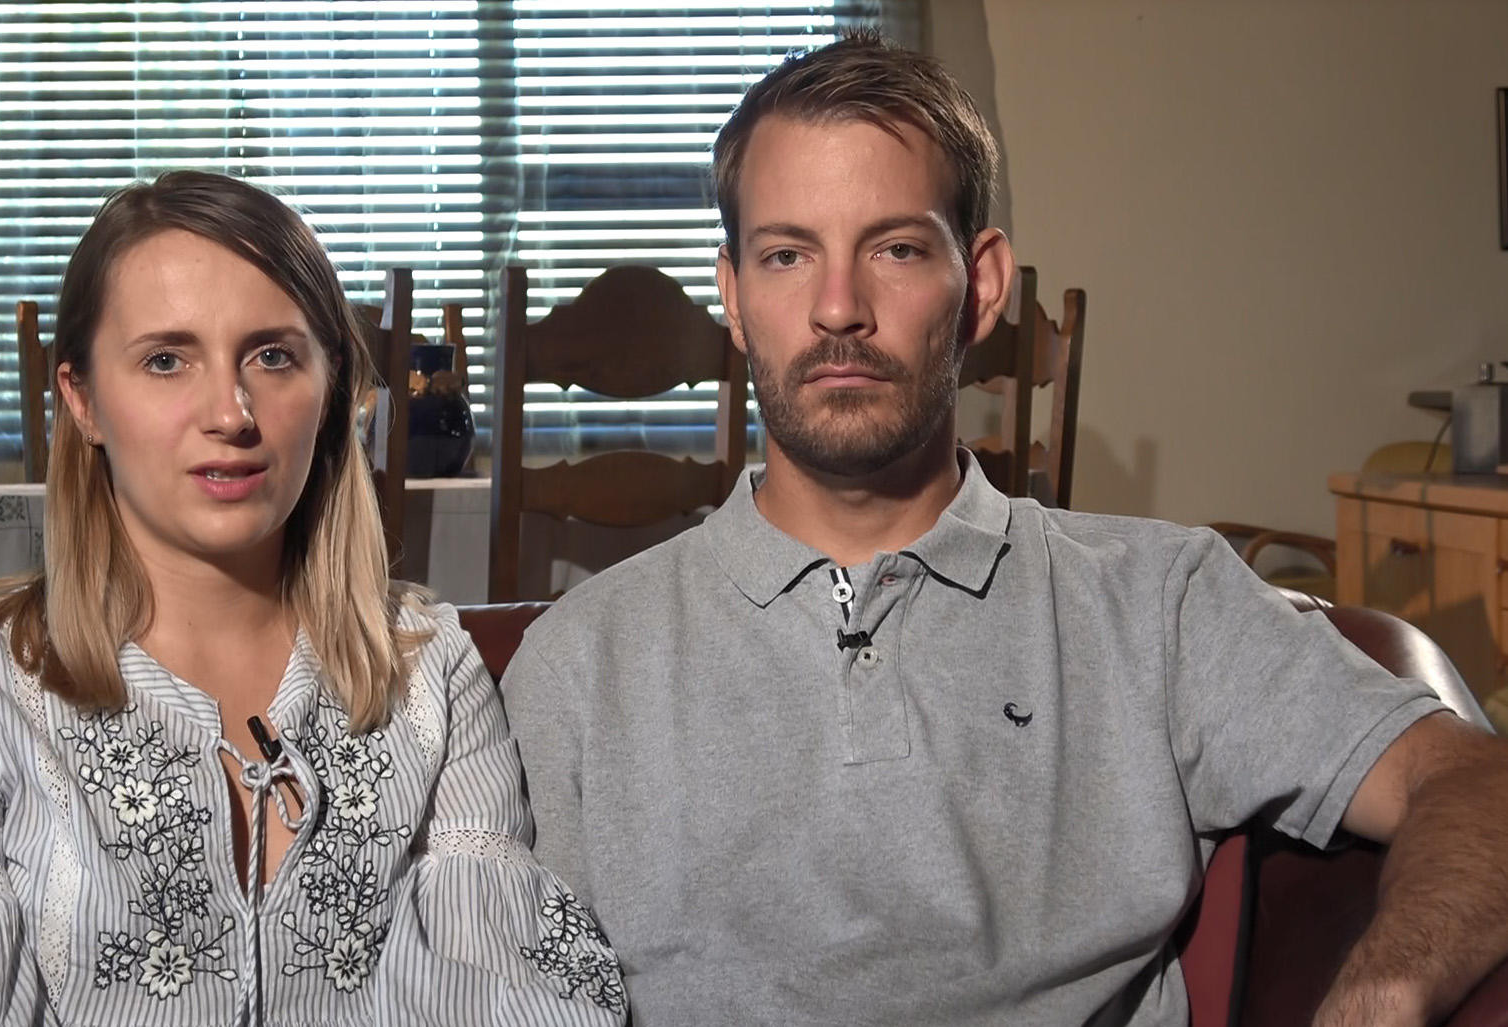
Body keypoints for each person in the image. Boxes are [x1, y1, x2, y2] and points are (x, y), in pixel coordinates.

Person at [500, 32, 1508, 1027]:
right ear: (731, 293)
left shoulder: (1157, 602)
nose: (838, 307)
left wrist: (1383, 992)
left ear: (979, 285)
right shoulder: (579, 663)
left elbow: (1470, 783)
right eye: (785, 254)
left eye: (893, 248)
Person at [0, 171, 625, 1026]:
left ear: (333, 388)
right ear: (82, 399)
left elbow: (517, 999)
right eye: (167, 359)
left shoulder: (429, 670)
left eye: (273, 356)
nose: (231, 412)